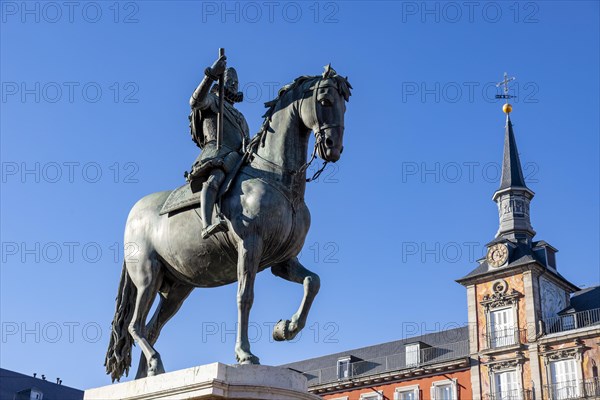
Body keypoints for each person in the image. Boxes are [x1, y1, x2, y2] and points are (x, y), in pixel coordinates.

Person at [186, 55, 249, 239]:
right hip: (217, 151)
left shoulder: (241, 117)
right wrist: (211, 75)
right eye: (230, 80)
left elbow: (245, 140)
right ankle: (207, 224)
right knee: (215, 179)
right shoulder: (213, 100)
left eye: (236, 82)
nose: (234, 85)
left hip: (238, 158)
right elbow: (195, 102)